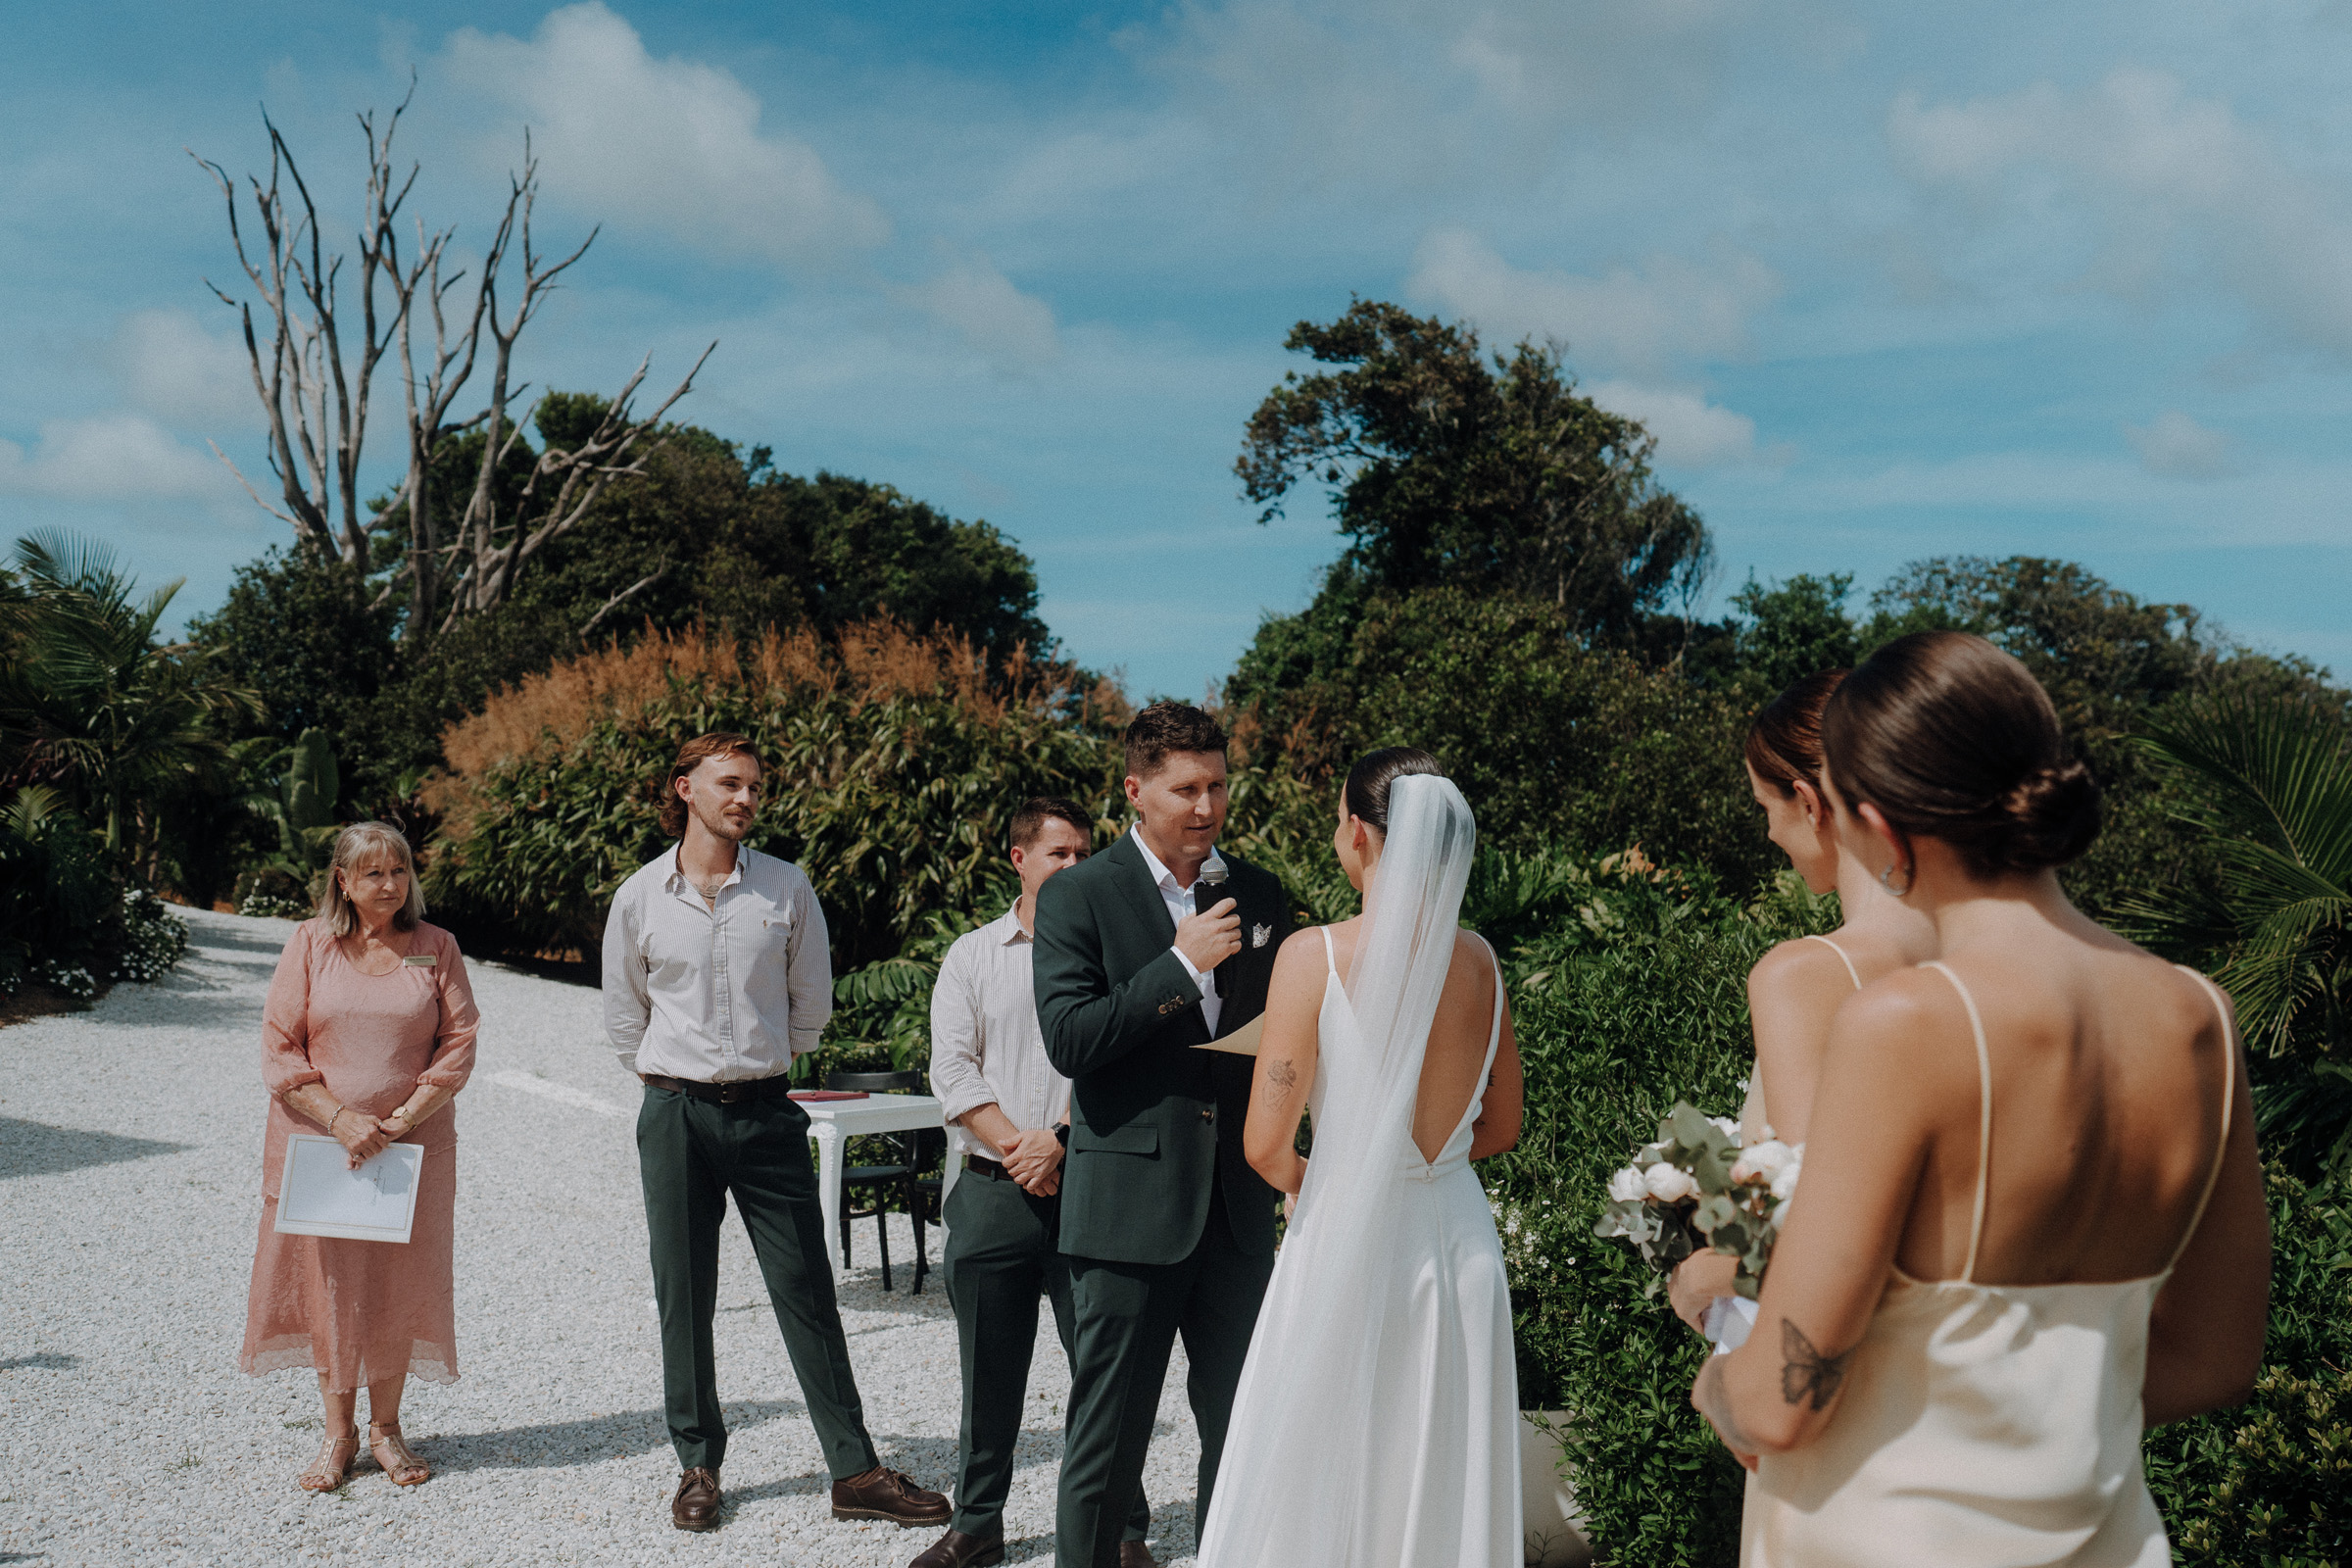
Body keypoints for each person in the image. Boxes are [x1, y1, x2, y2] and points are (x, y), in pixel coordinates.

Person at [1690, 632, 2272, 1566]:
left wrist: (1720, 1379)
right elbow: (2215, 1360)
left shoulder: (1909, 1023)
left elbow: (1780, 1404)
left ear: (1877, 824)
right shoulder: (2198, 1014)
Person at [602, 731, 950, 1535]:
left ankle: (854, 1471)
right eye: (730, 783)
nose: (746, 799)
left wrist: (752, 1069)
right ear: (683, 787)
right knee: (683, 1297)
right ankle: (697, 1465)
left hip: (765, 1113)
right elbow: (625, 1018)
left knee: (808, 1290)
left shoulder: (787, 888)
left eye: (755, 786)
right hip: (675, 1115)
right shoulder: (639, 896)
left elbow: (809, 1009)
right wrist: (678, 1076)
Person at [1197, 748, 1526, 1568]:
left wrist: (1328, 1183)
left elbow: (1265, 1144)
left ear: (1358, 832)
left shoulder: (1317, 954)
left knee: (1324, 1447)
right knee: (1438, 1455)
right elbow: (1502, 1126)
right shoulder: (1480, 959)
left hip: (1350, 1230)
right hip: (1455, 1237)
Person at [1032, 701, 1295, 1568]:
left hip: (1236, 1208)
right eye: (1187, 788)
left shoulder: (1260, 894)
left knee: (1243, 1430)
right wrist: (1181, 967)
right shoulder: (1079, 893)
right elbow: (1071, 1040)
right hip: (1128, 1213)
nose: (1207, 806)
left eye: (1219, 784)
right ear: (1136, 790)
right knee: (1106, 1441)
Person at [914, 798, 1156, 1568]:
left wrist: (1058, 1143)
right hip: (990, 1191)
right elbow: (951, 1068)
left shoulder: (1117, 956)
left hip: (1091, 1186)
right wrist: (1021, 1148)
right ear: (1019, 859)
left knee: (1104, 1370)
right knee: (989, 1371)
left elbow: (1128, 1065)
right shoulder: (974, 955)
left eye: (1087, 852)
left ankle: (1123, 1531)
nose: (1077, 867)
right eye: (1061, 853)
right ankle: (978, 1523)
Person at [1668, 670, 1936, 1349]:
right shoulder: (1977, 952)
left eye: (1765, 807)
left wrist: (1702, 1277)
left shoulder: (1806, 973)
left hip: (1817, 1353)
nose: (1769, 836)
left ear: (1808, 801)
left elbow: (1812, 1235)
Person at [241, 821, 478, 1493]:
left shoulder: (437, 949)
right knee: (332, 1285)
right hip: (320, 1145)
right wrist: (342, 1119)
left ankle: (388, 1430)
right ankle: (338, 1433)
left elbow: (458, 1043)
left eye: (399, 870)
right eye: (373, 873)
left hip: (414, 1147)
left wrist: (400, 1120)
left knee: (399, 1280)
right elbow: (280, 1046)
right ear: (343, 881)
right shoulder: (311, 943)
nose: (390, 884)